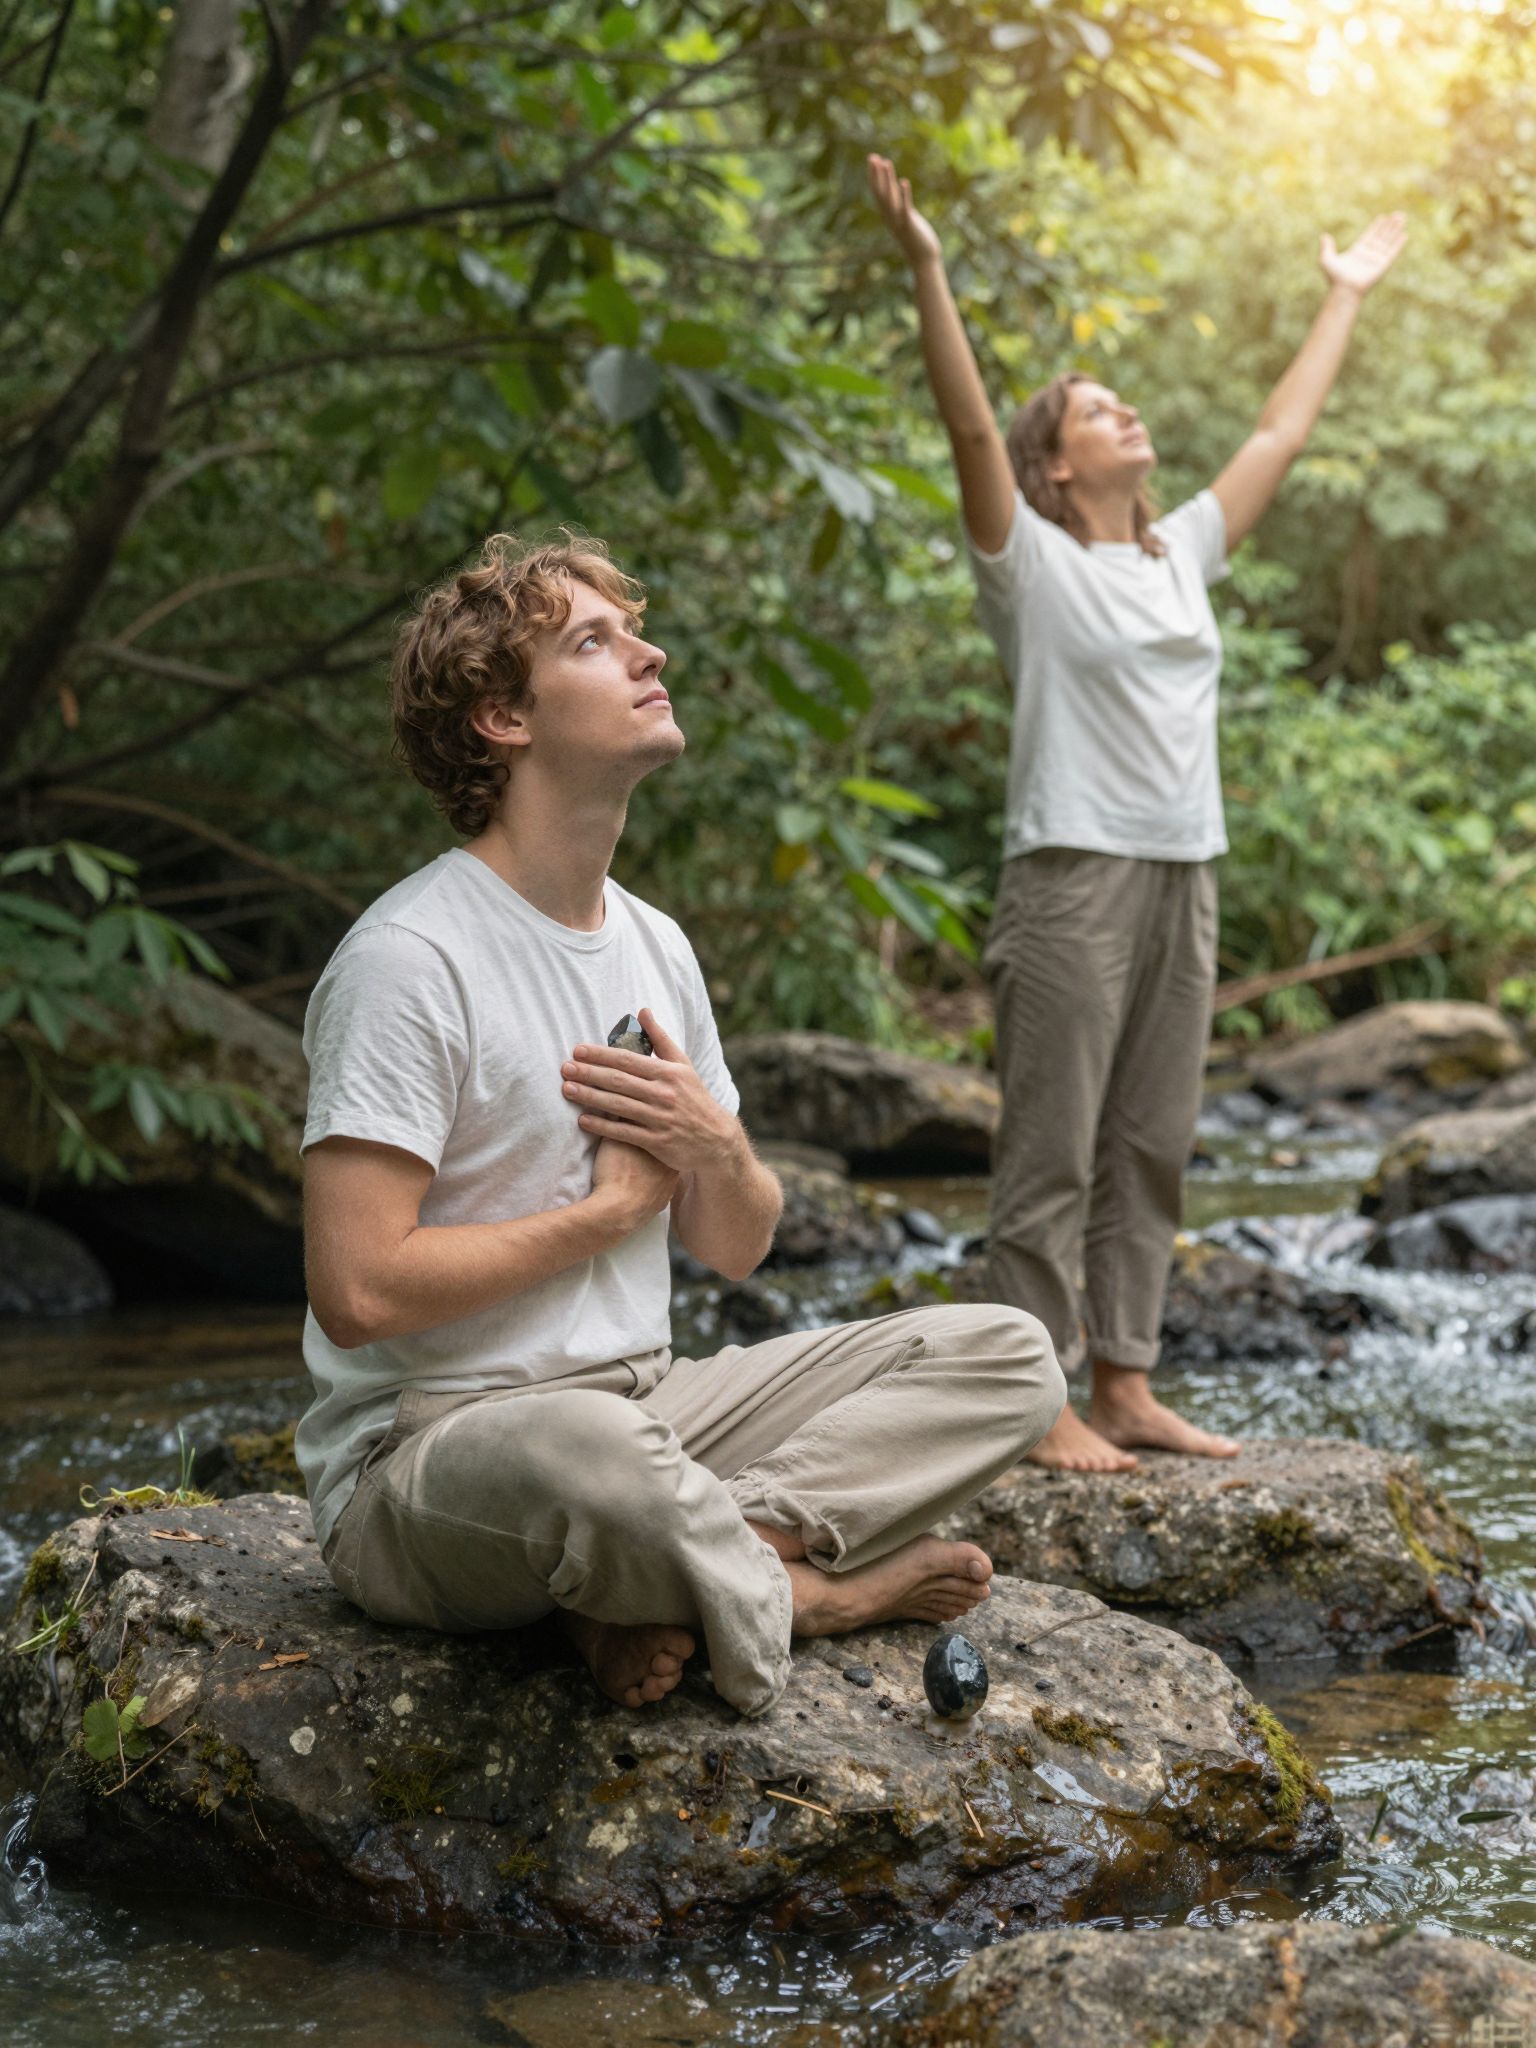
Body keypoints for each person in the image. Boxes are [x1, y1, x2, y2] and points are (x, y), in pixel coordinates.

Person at [294, 532, 1067, 1716]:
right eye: (594, 642)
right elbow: (356, 1289)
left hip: (651, 1411)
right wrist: (605, 1214)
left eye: (633, 632)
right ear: (505, 716)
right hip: (428, 1451)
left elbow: (737, 1244)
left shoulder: (656, 944)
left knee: (1009, 1355)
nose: (648, 654)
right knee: (590, 1456)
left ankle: (659, 1576)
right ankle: (798, 1593)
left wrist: (715, 1146)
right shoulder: (409, 958)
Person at [869, 152, 1406, 1472]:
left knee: (1152, 1139)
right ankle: (1033, 1398)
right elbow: (971, 432)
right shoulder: (1029, 564)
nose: (1126, 413)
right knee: (1051, 1146)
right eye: (1097, 410)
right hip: (1071, 874)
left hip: (1185, 871)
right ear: (1057, 464)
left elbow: (1278, 436)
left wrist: (1343, 292)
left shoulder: (1182, 556)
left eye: (1121, 401)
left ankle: (1124, 1380)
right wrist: (929, 268)